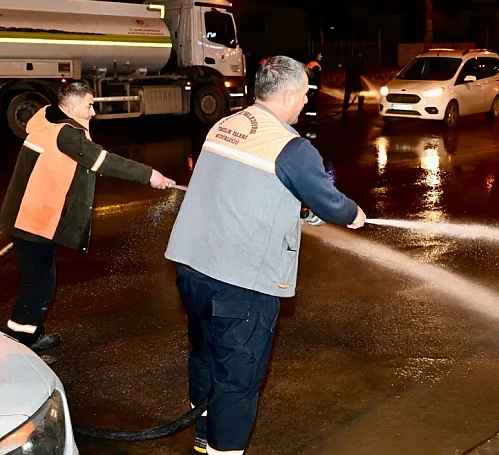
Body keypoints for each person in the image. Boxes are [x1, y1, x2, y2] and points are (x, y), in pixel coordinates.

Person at [165, 56, 366, 455]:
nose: (306, 102)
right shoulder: (291, 146)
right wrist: (352, 213)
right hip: (240, 283)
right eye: (305, 94)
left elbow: (246, 182)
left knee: (205, 354)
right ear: (290, 93)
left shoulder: (228, 124)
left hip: (191, 267)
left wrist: (300, 208)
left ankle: (203, 432)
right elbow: (330, 203)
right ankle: (224, 450)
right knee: (238, 380)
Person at [0, 82, 174, 352]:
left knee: (37, 278)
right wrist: (151, 175)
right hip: (32, 218)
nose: (93, 112)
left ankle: (26, 331)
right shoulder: (65, 134)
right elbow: (103, 161)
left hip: (28, 213)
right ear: (70, 106)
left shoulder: (47, 119)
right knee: (41, 283)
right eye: (89, 105)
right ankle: (21, 338)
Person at [342, 49, 366, 116]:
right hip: (356, 81)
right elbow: (362, 70)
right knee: (361, 94)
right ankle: (360, 107)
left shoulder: (349, 60)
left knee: (347, 95)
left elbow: (346, 69)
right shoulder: (359, 60)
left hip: (348, 80)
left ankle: (344, 108)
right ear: (359, 54)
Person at [304, 52, 323, 122]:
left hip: (308, 87)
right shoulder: (316, 65)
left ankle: (308, 119)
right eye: (320, 55)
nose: (321, 56)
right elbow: (316, 78)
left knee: (310, 104)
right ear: (317, 56)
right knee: (313, 104)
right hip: (313, 88)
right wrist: (319, 87)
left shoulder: (310, 64)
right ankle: (312, 120)